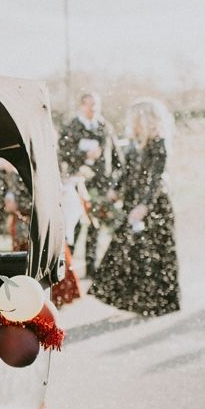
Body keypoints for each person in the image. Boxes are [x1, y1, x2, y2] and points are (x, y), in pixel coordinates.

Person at [89, 98, 180, 316]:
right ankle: (134, 301)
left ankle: (157, 303)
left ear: (146, 119)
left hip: (154, 206)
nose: (132, 123)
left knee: (153, 254)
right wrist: (115, 190)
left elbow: (156, 178)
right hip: (133, 204)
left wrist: (144, 206)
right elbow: (126, 171)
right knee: (128, 251)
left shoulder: (158, 143)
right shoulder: (134, 143)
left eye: (135, 119)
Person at [59, 92, 123, 276]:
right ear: (82, 106)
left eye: (96, 105)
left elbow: (117, 155)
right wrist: (84, 156)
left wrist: (115, 181)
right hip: (78, 184)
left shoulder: (104, 127)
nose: (93, 108)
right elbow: (63, 153)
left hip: (101, 185)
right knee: (76, 224)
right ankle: (67, 267)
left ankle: (91, 267)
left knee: (95, 225)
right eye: (89, 105)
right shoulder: (72, 127)